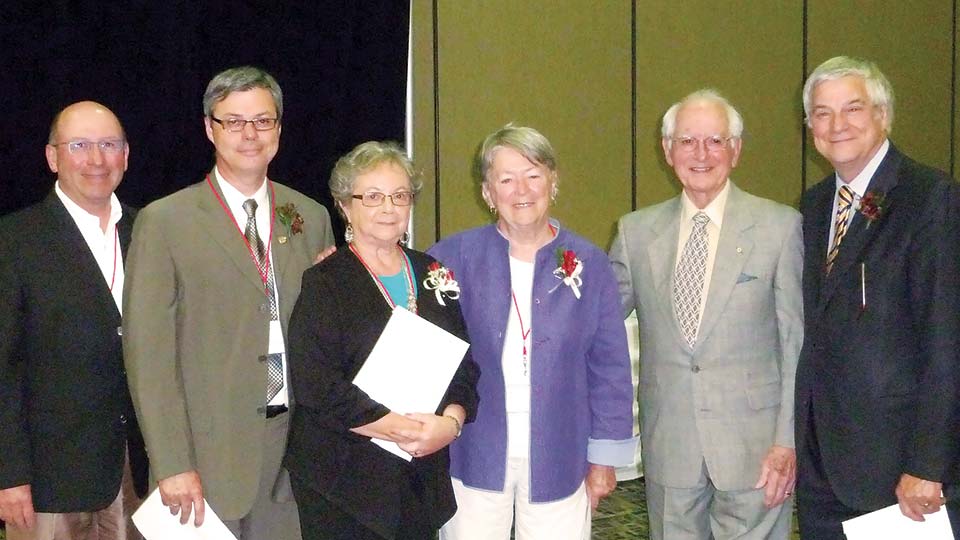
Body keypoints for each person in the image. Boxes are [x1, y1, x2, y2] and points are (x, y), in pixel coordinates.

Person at [122, 66, 334, 539]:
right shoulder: (165, 221)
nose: (249, 134)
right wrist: (172, 463)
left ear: (279, 128)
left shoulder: (308, 216)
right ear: (208, 128)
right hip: (205, 457)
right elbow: (148, 356)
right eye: (233, 121)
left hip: (291, 457)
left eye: (262, 120)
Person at [608, 90, 802, 539]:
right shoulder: (635, 232)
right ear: (666, 149)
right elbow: (598, 321)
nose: (700, 154)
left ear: (735, 150)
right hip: (670, 443)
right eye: (686, 141)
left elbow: (795, 344)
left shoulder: (780, 227)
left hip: (756, 451)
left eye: (714, 141)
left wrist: (786, 442)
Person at [429, 124, 637, 540]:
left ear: (553, 182)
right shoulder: (451, 258)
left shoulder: (589, 262)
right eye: (506, 179)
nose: (521, 189)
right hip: (473, 447)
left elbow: (610, 368)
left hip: (561, 450)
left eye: (533, 174)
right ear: (488, 192)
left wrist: (604, 458)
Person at [795, 55, 960, 539]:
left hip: (899, 470)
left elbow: (947, 338)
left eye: (853, 109)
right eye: (822, 113)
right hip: (823, 466)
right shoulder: (814, 204)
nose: (837, 125)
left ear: (883, 115)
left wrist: (929, 463)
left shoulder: (930, 199)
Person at [283, 141, 479, 539]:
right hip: (342, 478)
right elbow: (314, 383)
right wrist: (393, 427)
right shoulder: (325, 281)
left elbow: (464, 368)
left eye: (399, 195)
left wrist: (451, 424)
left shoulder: (432, 272)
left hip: (418, 473)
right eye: (372, 196)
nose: (389, 208)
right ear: (345, 206)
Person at [0, 101, 149, 540]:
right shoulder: (13, 241)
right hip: (46, 482)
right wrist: (8, 474)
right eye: (80, 145)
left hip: (137, 473)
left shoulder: (151, 231)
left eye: (108, 145)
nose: (96, 159)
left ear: (126, 155)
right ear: (52, 157)